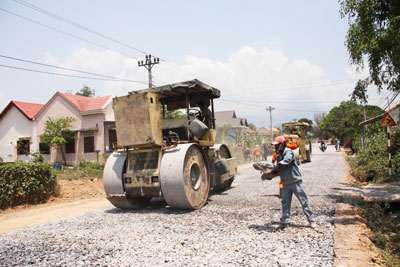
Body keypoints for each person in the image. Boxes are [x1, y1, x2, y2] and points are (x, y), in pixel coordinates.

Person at [271, 135, 315, 229]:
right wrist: (270, 172)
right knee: (285, 203)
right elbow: (278, 169)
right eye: (275, 145)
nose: (275, 147)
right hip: (286, 183)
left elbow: (286, 161)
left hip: (295, 181)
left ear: (283, 144)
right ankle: (284, 221)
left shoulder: (289, 152)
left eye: (277, 145)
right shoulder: (278, 155)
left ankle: (311, 220)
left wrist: (278, 166)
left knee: (304, 201)